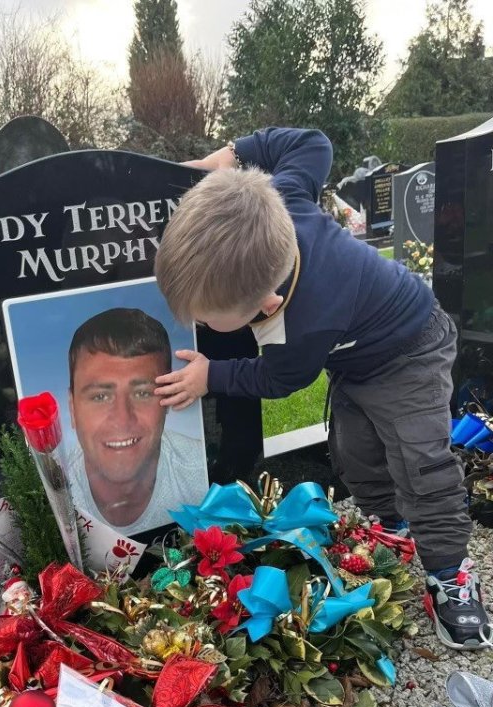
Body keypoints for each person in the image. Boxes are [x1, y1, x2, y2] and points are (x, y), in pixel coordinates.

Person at [153, 127, 492, 651]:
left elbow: (279, 379)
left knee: (421, 463)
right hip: (357, 361)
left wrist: (212, 376)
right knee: (355, 456)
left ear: (266, 306)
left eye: (205, 317)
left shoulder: (303, 326)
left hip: (412, 351)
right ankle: (392, 526)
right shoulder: (280, 200)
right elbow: (314, 144)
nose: (195, 322)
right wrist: (236, 154)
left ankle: (450, 572)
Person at [68, 308, 207, 534]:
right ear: (72, 408)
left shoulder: (202, 472)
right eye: (100, 396)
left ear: (169, 396)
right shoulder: (45, 494)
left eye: (143, 393)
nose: (122, 419)